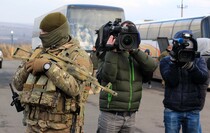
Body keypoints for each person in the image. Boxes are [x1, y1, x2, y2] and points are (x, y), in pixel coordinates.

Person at [12, 12, 93, 133]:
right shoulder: (38, 51)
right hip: (33, 125)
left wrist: (47, 67)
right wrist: (27, 68)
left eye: (45, 32)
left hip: (61, 128)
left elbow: (75, 89)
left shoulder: (78, 56)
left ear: (57, 33)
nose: (41, 35)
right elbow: (17, 84)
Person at [96, 20, 157, 133]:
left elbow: (151, 66)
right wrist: (112, 51)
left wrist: (134, 50)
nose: (126, 39)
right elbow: (108, 77)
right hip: (111, 114)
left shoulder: (136, 55)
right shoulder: (107, 53)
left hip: (131, 114)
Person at [159, 30, 209, 133]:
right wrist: (174, 63)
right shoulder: (166, 61)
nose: (186, 48)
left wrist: (192, 68)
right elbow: (171, 82)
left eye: (189, 45)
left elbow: (203, 79)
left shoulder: (198, 60)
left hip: (192, 110)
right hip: (172, 109)